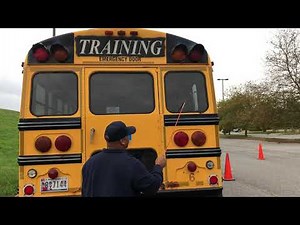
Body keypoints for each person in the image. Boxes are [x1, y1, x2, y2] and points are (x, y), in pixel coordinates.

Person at [81, 121, 166, 197]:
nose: (129, 138)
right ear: (123, 141)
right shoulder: (131, 164)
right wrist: (158, 166)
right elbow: (151, 187)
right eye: (128, 136)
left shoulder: (89, 163)